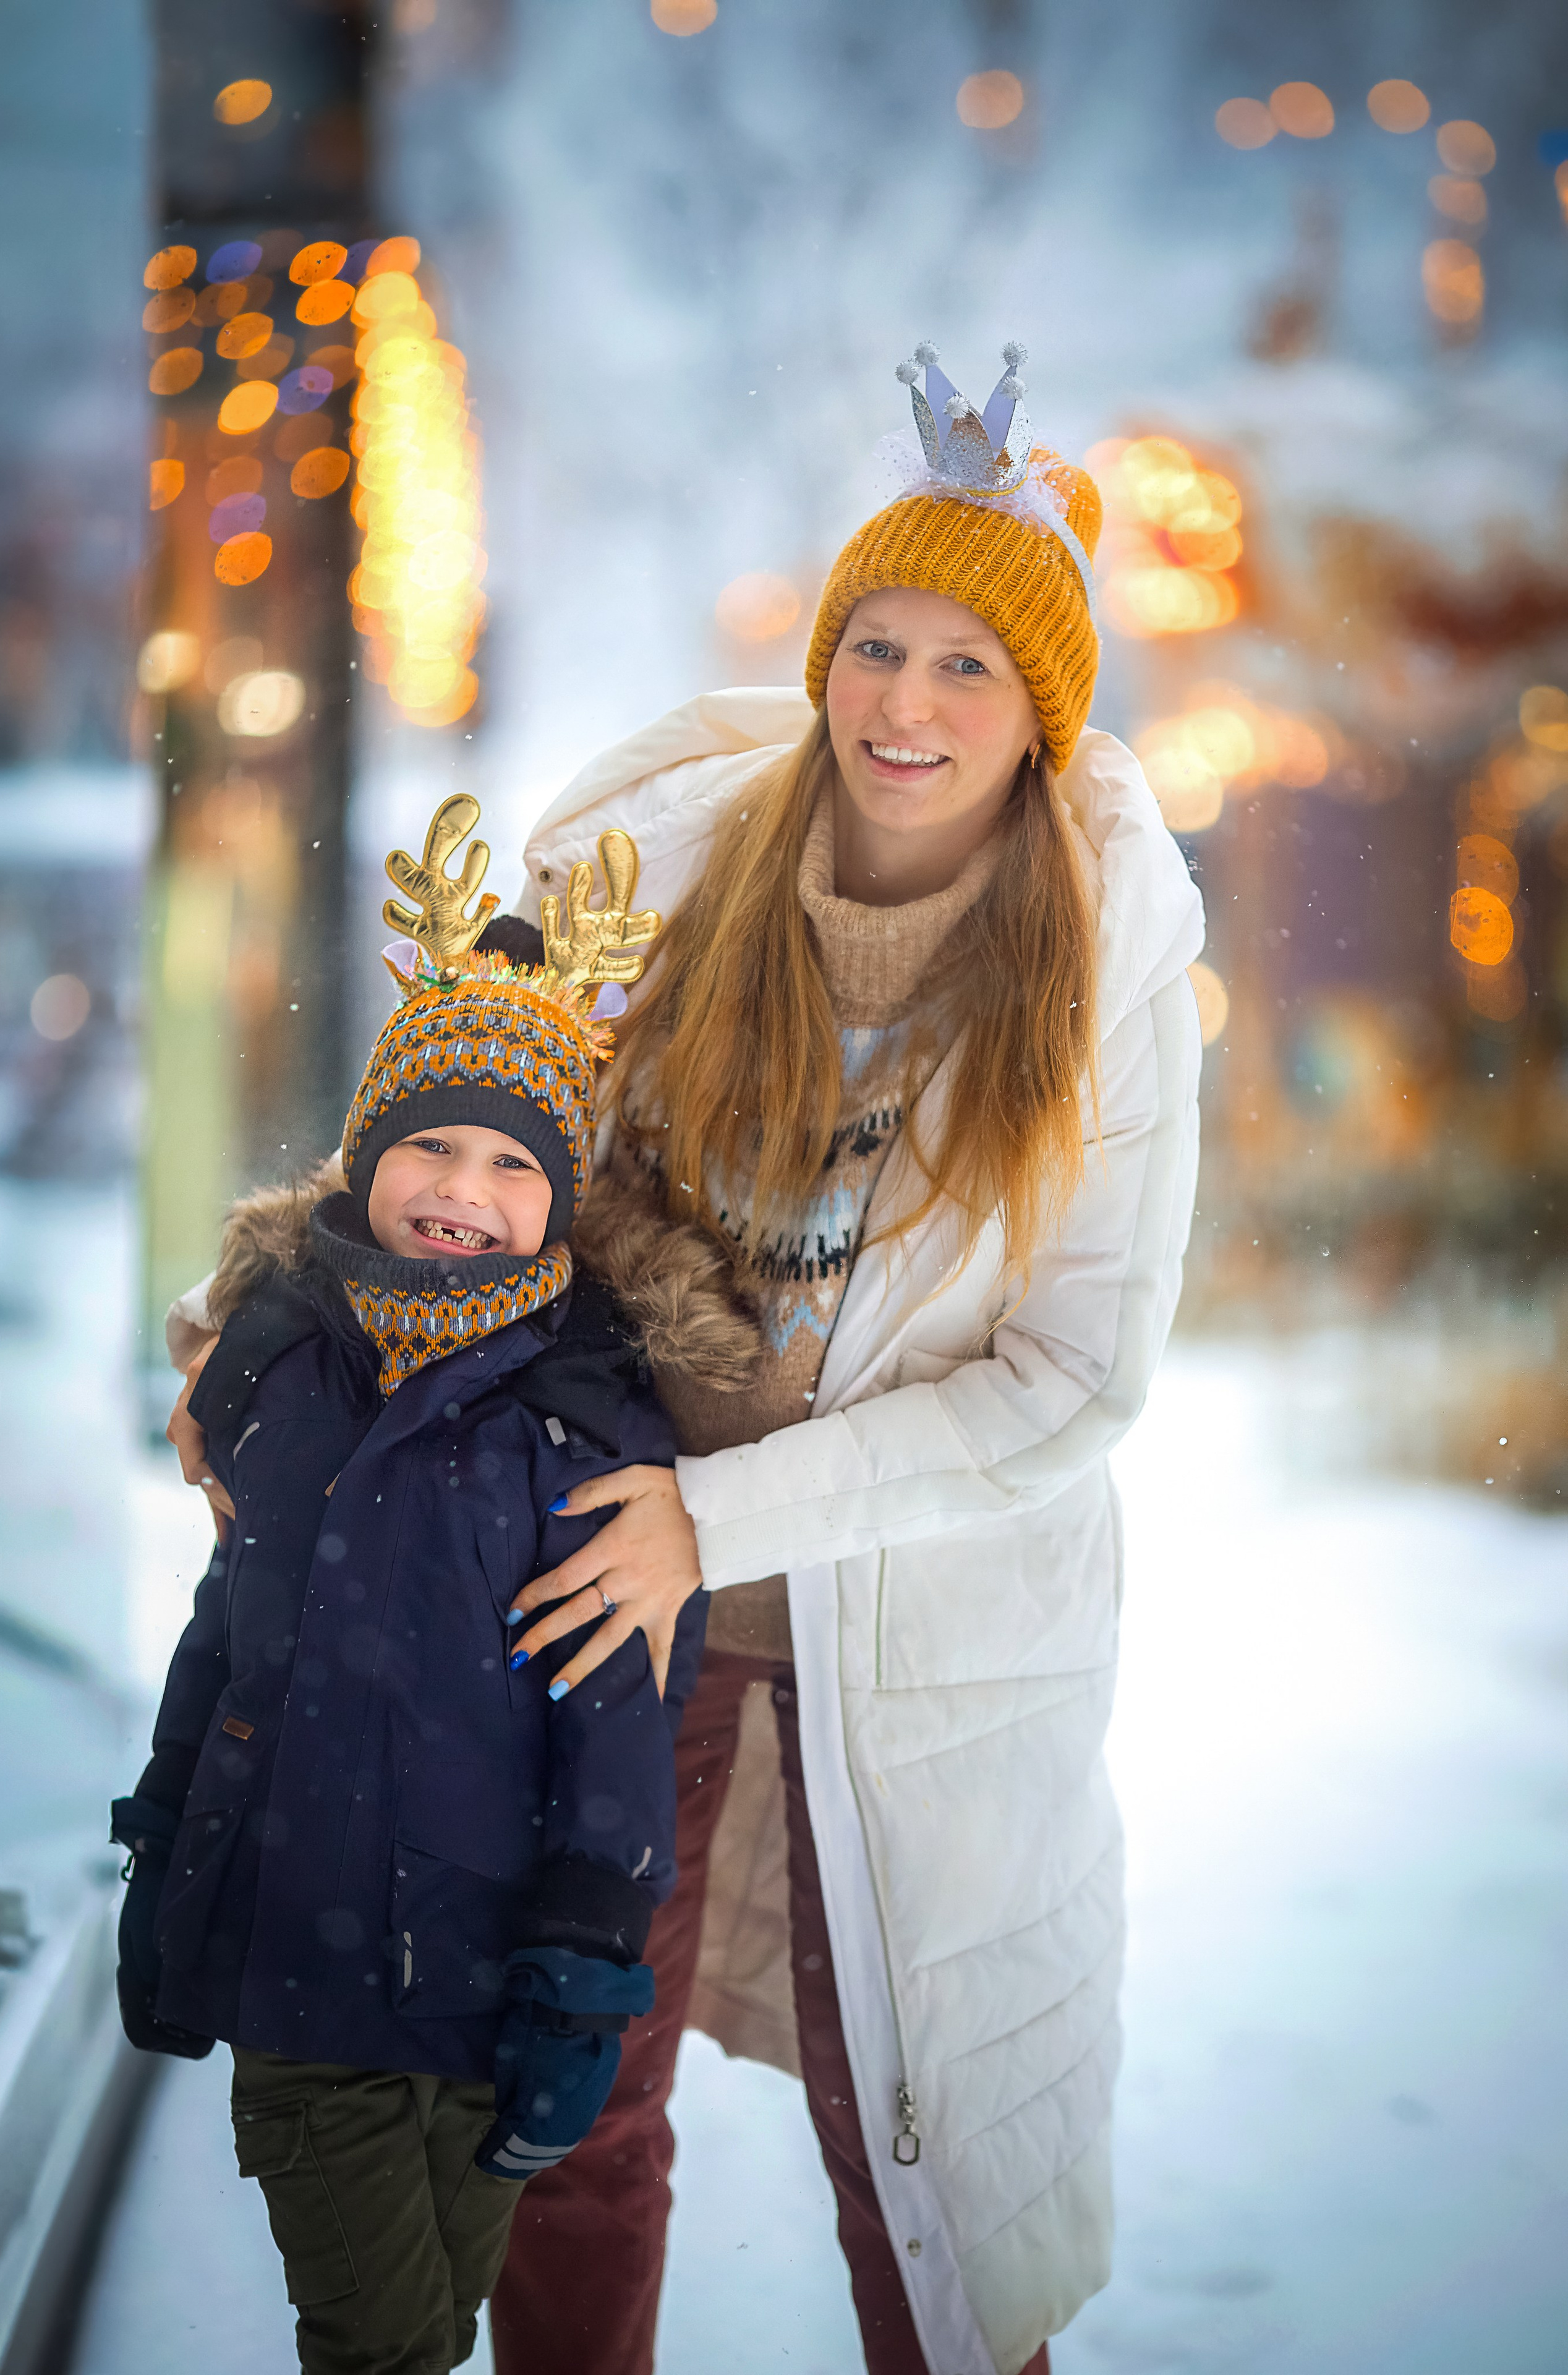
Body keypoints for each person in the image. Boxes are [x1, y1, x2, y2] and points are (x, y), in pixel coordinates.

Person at [482, 344, 1207, 2375]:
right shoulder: (663, 889)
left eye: (971, 668)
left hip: (923, 1654)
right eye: (877, 645)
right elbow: (462, 1155)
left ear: (1042, 714)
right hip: (610, 1611)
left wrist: (722, 1516)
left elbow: (1070, 1383)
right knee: (566, 2121)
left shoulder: (1108, 982)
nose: (906, 703)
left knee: (917, 2160)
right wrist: (271, 1317)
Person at [116, 806, 738, 2375]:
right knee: (380, 2342)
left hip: (483, 1985)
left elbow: (615, 1722)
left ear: (558, 1199)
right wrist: (163, 1837)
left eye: (509, 1161)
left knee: (442, 2323)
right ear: (369, 1153)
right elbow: (228, 1626)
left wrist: (590, 1966)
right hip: (302, 1974)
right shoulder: (280, 1364)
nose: (462, 1186)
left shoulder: (584, 1420)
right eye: (429, 1144)